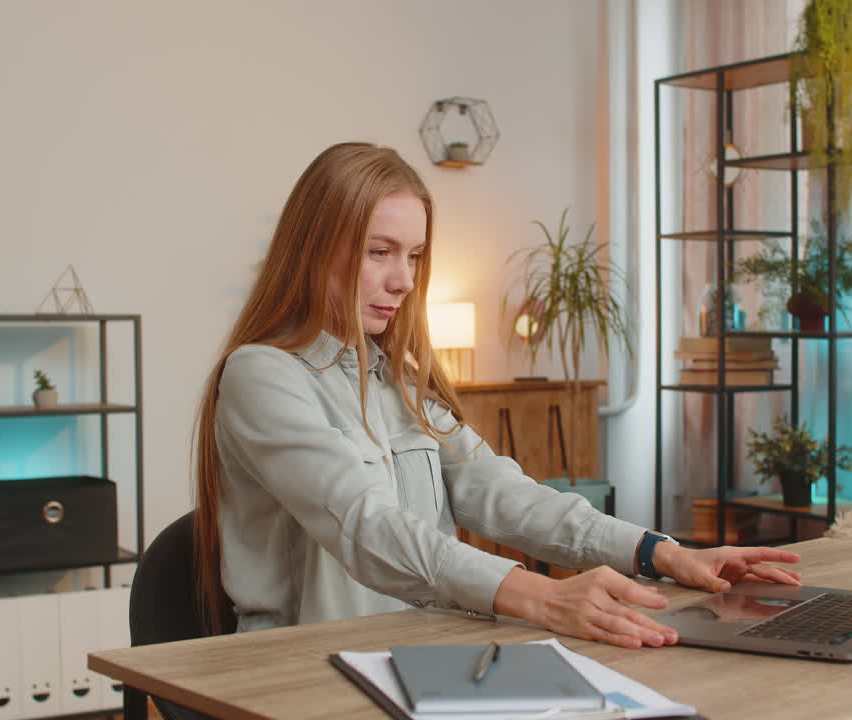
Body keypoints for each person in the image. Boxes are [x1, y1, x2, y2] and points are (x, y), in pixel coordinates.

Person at [192, 142, 801, 649]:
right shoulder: (261, 376)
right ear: (313, 248)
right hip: (302, 672)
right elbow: (365, 526)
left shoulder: (395, 378)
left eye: (413, 256)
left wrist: (662, 553)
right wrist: (542, 596)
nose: (404, 281)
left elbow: (504, 494)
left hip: (417, 652)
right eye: (380, 252)